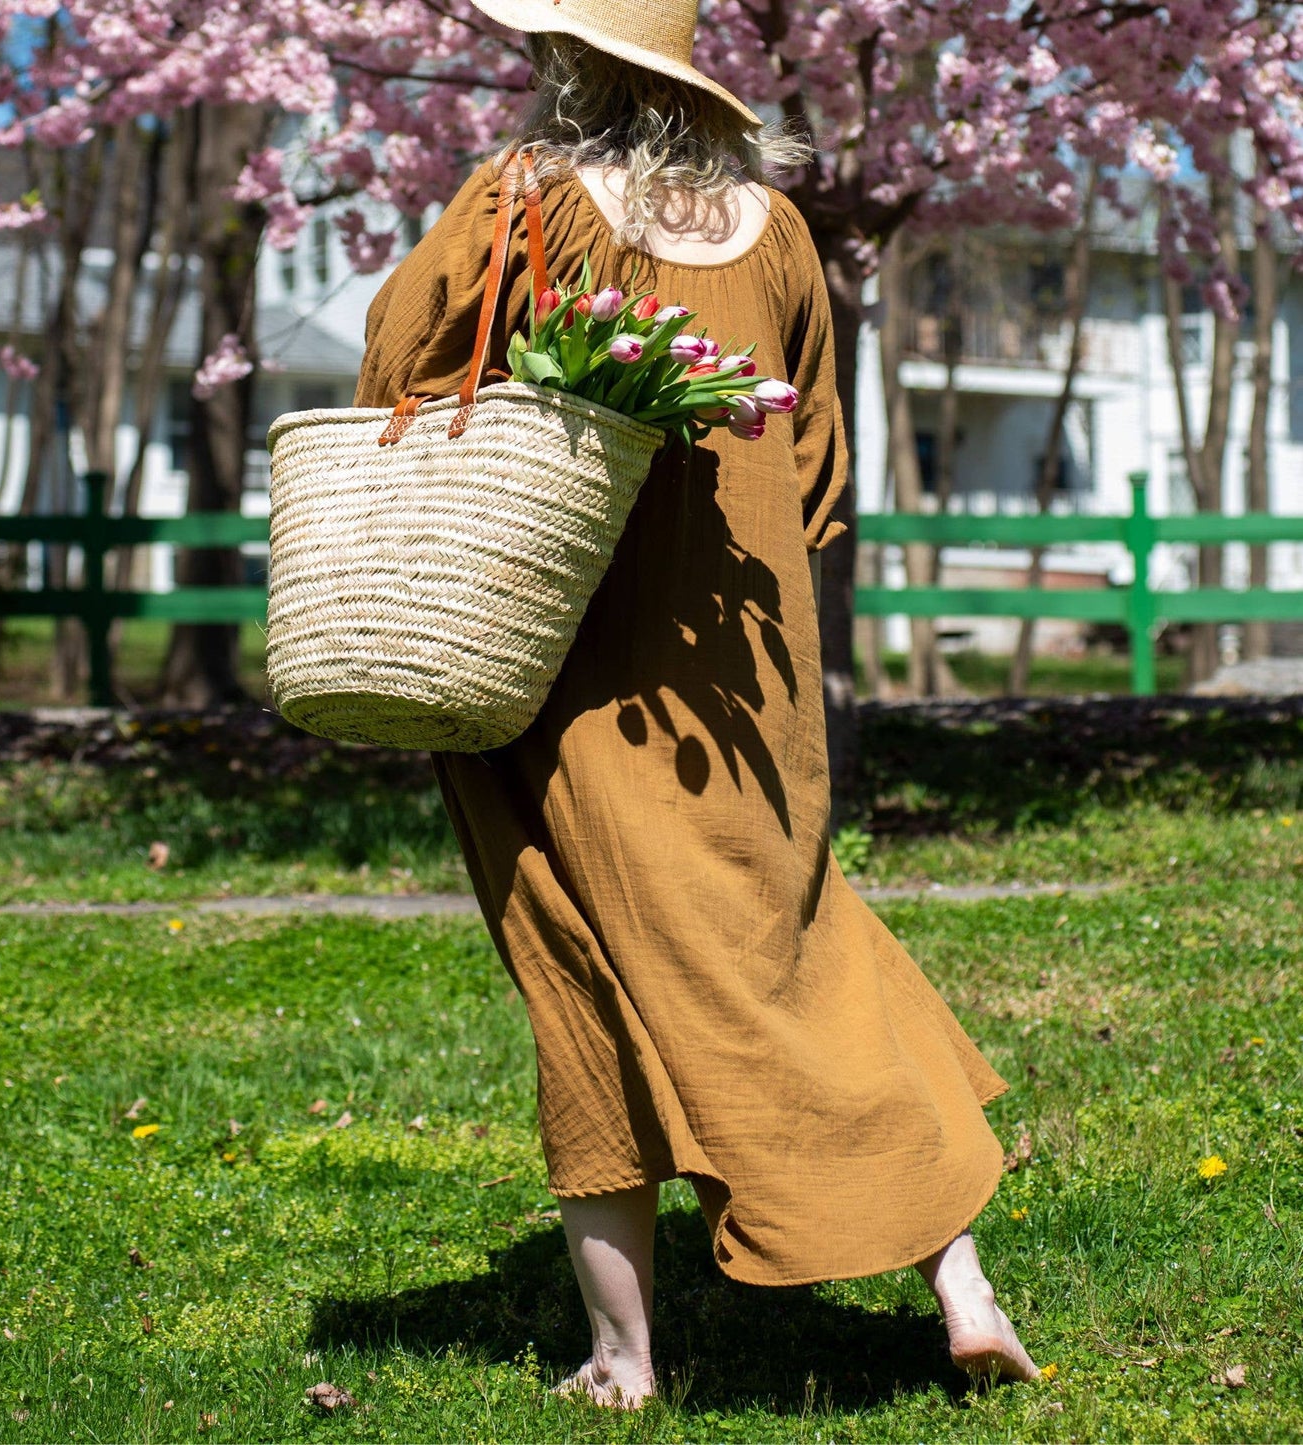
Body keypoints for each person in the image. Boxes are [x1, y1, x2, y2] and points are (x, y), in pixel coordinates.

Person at [352, 0, 1040, 1407]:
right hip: (748, 671)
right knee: (799, 946)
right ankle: (956, 1277)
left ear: (567, 63)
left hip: (576, 663)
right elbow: (822, 478)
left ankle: (623, 1356)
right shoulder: (776, 232)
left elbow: (396, 373)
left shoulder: (523, 199)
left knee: (584, 970)